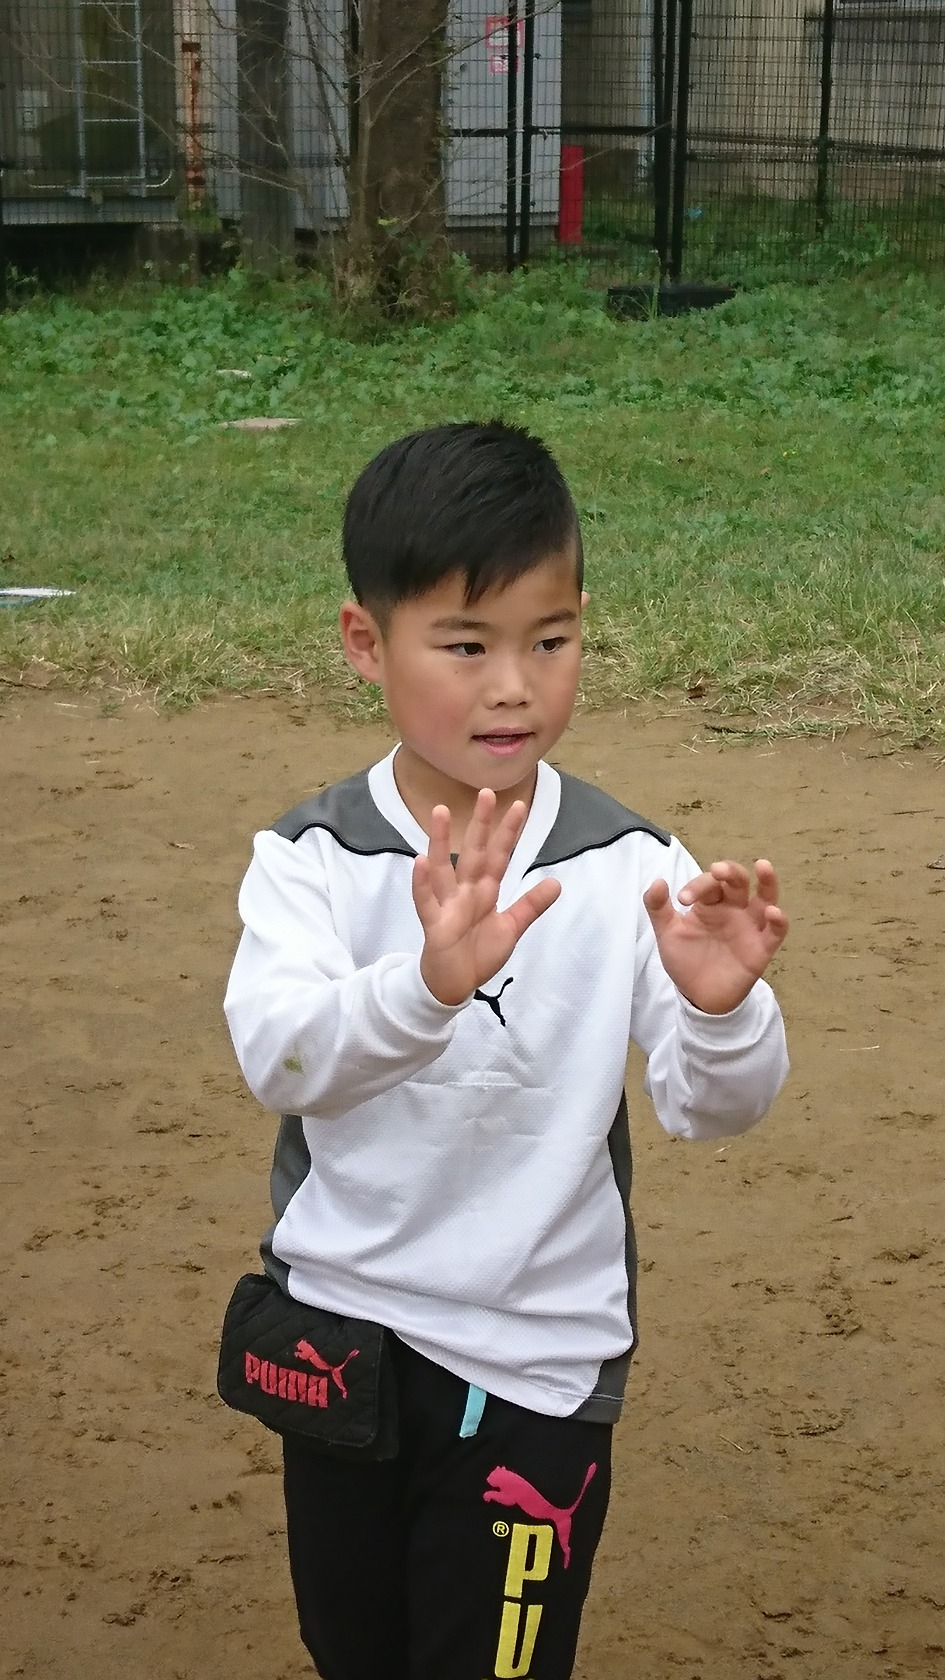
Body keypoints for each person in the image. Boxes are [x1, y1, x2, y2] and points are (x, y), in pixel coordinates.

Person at [223, 420, 789, 1680]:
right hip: (343, 1338)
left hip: (538, 1368)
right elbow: (281, 1059)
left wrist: (717, 1011)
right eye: (467, 645)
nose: (515, 687)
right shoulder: (313, 859)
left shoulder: (628, 867)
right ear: (366, 640)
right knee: (355, 1649)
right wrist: (425, 985)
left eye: (552, 640)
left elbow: (714, 1108)